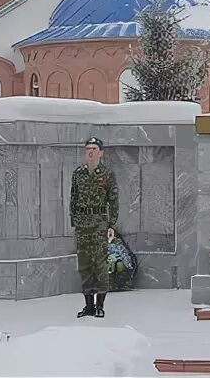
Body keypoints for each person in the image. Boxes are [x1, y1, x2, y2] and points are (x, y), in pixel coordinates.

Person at [70, 136, 119, 318]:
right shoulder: (78, 173)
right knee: (84, 265)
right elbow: (73, 198)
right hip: (83, 225)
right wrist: (74, 221)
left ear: (100, 153)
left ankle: (100, 305)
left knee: (99, 265)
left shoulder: (106, 174)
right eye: (87, 149)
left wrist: (111, 224)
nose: (90, 152)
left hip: (99, 224)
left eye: (93, 149)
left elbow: (113, 200)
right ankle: (88, 305)